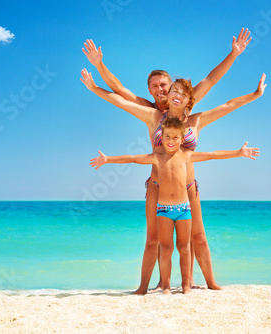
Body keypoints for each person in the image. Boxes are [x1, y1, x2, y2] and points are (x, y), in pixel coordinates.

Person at [82, 29, 259, 294]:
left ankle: (209, 283)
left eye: (164, 85)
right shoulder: (151, 113)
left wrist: (234, 54)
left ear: (175, 88)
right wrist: (98, 69)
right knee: (154, 240)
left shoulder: (190, 111)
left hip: (189, 187)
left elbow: (212, 81)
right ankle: (148, 287)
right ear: (150, 91)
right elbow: (119, 93)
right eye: (155, 86)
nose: (161, 90)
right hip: (157, 184)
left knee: (197, 237)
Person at [90, 117, 260, 294]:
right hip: (163, 209)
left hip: (184, 209)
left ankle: (186, 285)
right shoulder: (156, 157)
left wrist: (239, 153)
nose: (171, 141)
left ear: (182, 138)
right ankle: (166, 286)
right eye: (167, 137)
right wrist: (108, 159)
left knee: (184, 247)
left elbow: (213, 155)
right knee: (165, 249)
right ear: (161, 137)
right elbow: (133, 158)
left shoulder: (187, 156)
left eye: (175, 138)